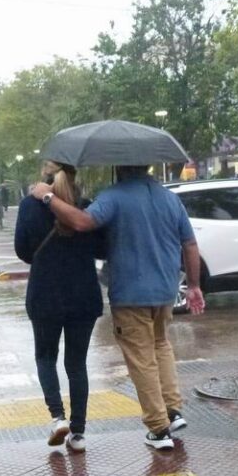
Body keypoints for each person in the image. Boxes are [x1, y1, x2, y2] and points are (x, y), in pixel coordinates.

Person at [31, 164, 205, 451]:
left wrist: (48, 198)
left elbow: (82, 222)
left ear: (119, 167)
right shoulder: (169, 198)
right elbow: (189, 244)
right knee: (161, 346)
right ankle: (173, 411)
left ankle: (158, 428)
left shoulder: (114, 197)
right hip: (165, 290)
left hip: (131, 293)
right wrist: (195, 284)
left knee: (141, 359)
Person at [16, 161, 104, 452]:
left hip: (45, 294)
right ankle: (78, 434)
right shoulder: (87, 207)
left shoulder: (30, 206)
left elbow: (23, 251)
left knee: (45, 357)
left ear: (45, 174)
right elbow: (103, 248)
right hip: (84, 295)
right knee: (77, 364)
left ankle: (57, 418)